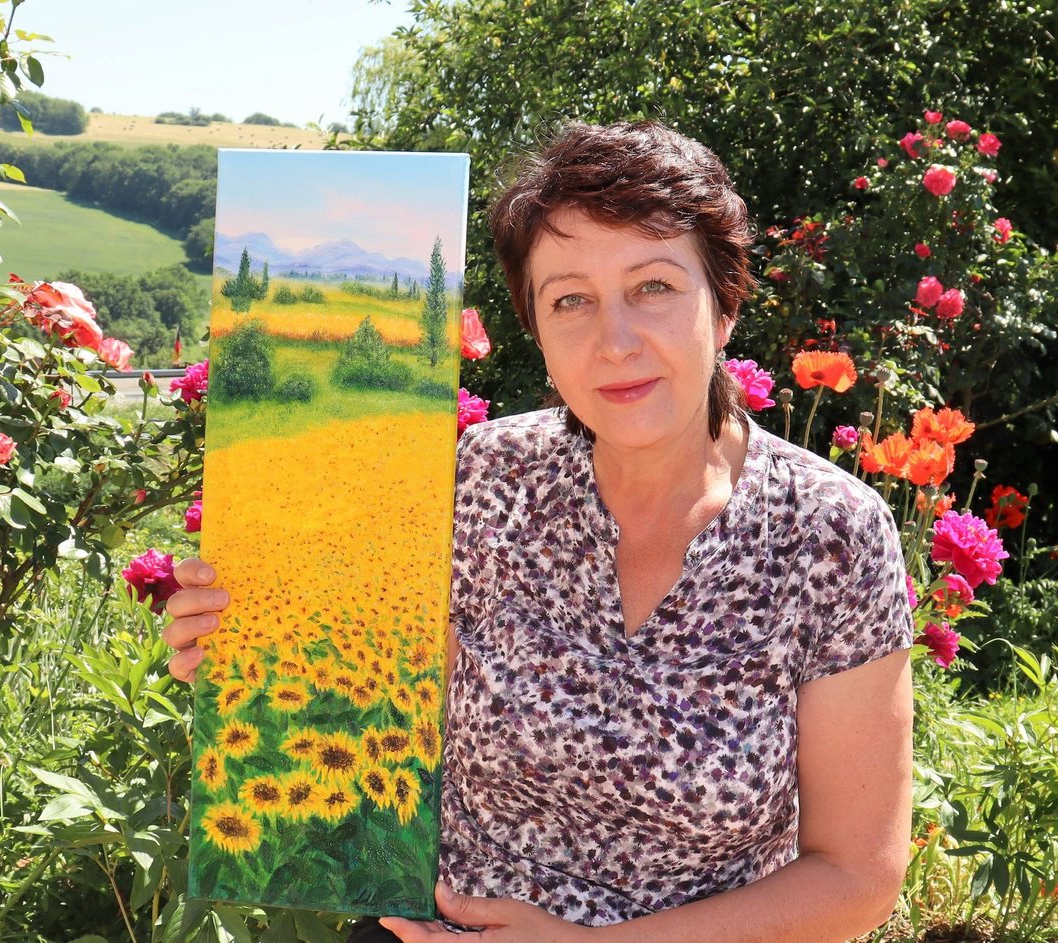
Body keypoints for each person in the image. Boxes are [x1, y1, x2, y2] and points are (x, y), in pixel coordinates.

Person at [164, 120, 914, 943]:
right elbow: (386, 700)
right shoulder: (485, 477)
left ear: (725, 305)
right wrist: (254, 644)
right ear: (537, 329)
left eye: (654, 286)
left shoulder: (830, 534)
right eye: (571, 300)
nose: (615, 340)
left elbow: (856, 876)